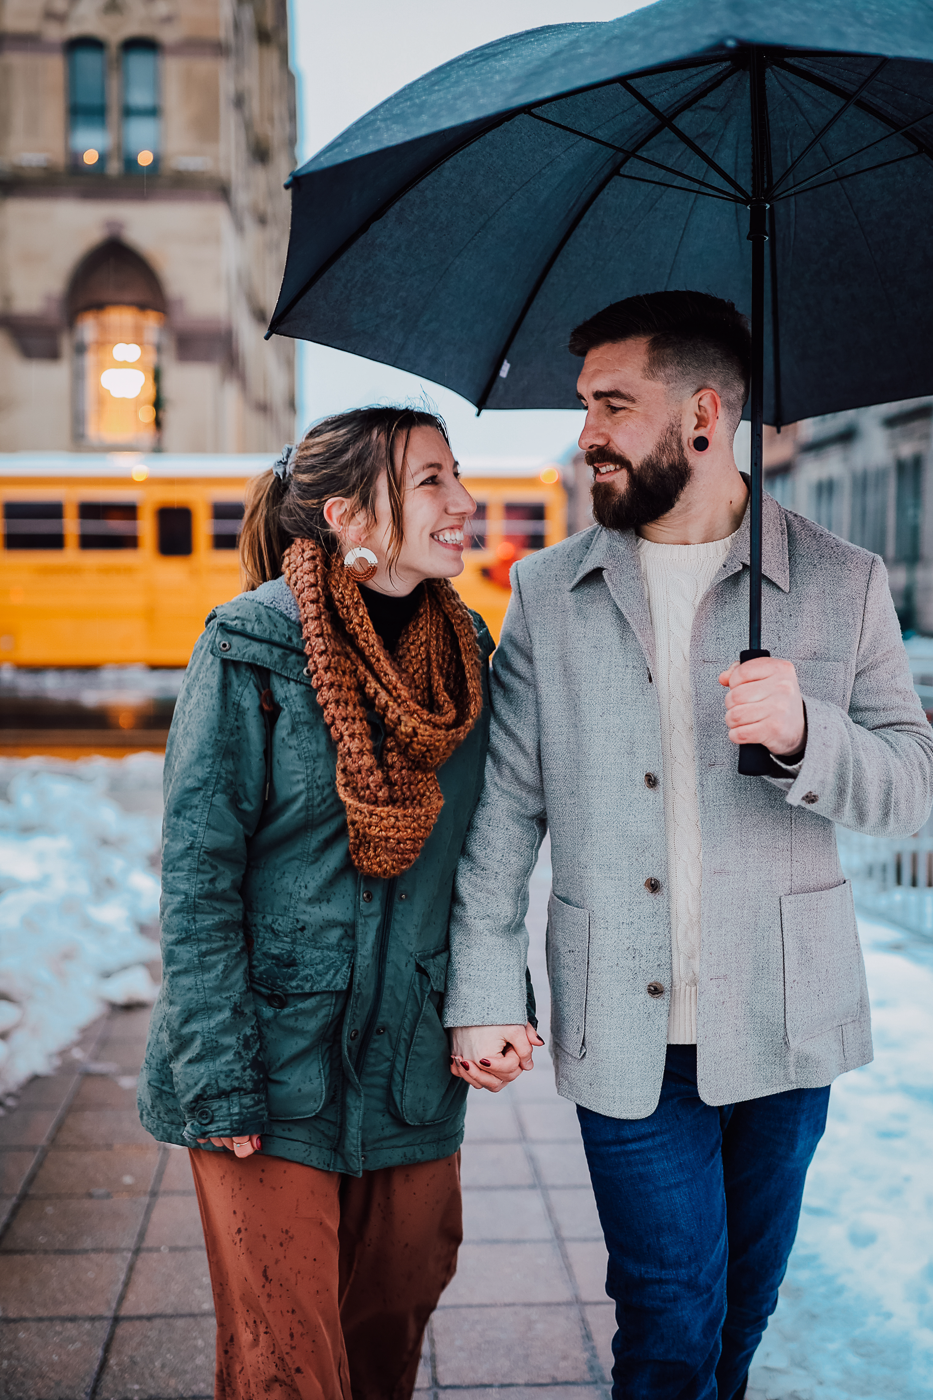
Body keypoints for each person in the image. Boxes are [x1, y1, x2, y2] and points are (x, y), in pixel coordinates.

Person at [443, 291, 933, 1400]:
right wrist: (487, 985)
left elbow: (912, 783)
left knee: (741, 1307)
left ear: (704, 415)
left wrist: (811, 729)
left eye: (614, 405)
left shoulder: (842, 581)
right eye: (585, 406)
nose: (588, 435)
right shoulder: (550, 593)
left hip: (785, 1018)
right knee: (667, 1316)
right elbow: (504, 814)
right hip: (625, 1024)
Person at [138, 406, 529, 1400]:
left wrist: (494, 994)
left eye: (458, 475)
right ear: (350, 513)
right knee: (289, 1367)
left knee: (388, 1331)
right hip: (265, 1067)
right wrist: (219, 1077)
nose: (465, 502)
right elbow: (197, 876)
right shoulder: (251, 645)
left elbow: (491, 847)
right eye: (433, 479)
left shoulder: (467, 655)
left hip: (407, 1069)